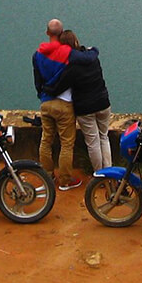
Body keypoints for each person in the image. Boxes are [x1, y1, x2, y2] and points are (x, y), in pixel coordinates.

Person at [44, 29, 112, 174]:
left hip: (85, 108)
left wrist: (45, 88)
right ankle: (110, 173)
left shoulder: (71, 67)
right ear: (76, 41)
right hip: (103, 103)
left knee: (93, 143)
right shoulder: (93, 58)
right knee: (104, 137)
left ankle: (100, 175)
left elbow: (57, 88)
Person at [32, 18, 80, 190]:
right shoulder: (68, 53)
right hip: (65, 104)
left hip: (46, 103)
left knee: (46, 141)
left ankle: (47, 177)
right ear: (62, 34)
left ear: (47, 33)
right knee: (66, 144)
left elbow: (37, 80)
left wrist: (42, 95)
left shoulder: (38, 54)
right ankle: (66, 181)